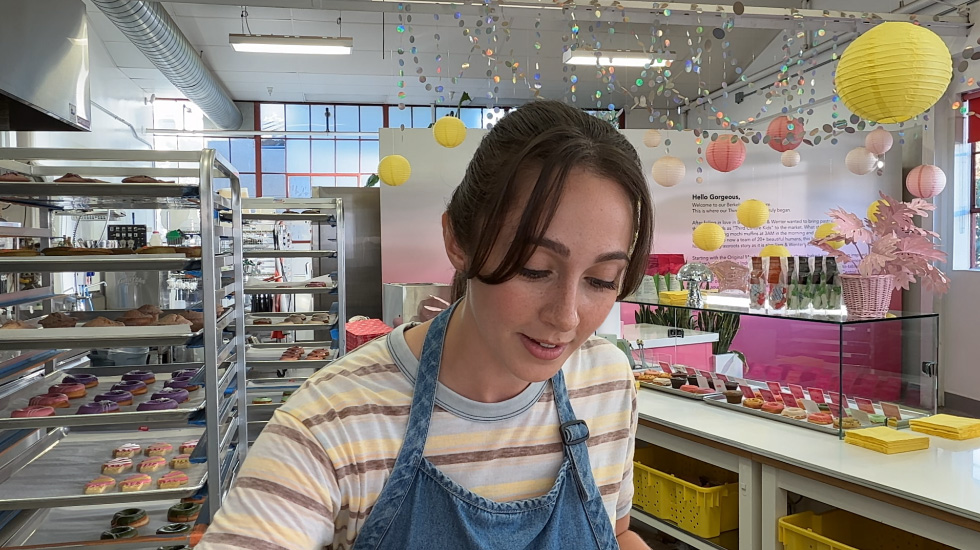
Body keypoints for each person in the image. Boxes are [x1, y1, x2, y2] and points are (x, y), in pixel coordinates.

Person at [197, 99, 655, 550]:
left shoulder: (607, 382)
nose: (566, 317)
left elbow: (615, 533)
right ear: (459, 241)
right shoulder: (335, 420)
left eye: (601, 279)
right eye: (534, 268)